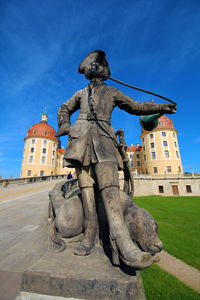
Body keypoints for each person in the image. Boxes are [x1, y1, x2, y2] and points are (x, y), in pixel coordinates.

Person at [56, 50, 176, 269]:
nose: (99, 70)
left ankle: (121, 240)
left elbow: (136, 106)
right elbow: (64, 108)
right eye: (96, 66)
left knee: (110, 191)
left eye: (100, 66)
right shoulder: (80, 93)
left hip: (104, 143)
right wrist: (66, 127)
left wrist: (160, 107)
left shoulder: (111, 91)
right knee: (87, 192)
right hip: (81, 143)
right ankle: (89, 234)